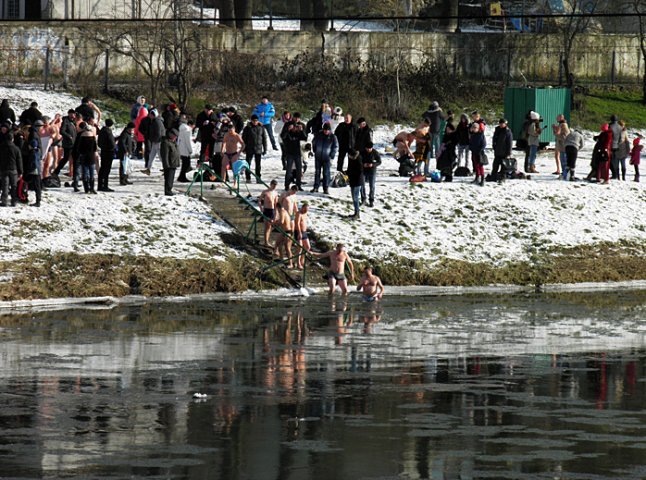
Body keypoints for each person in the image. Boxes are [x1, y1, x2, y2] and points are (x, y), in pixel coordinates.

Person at [311, 122, 338, 194]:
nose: (326, 131)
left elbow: (335, 147)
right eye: (325, 130)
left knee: (326, 173)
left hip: (327, 158)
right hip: (318, 157)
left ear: (330, 130)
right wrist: (314, 150)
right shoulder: (318, 135)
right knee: (317, 172)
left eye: (327, 130)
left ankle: (325, 188)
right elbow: (313, 142)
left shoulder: (333, 137)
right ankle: (316, 187)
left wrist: (332, 155)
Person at [0, 123, 22, 207]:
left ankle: (4, 201)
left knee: (5, 186)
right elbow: (19, 161)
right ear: (12, 139)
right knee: (14, 186)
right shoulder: (16, 149)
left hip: (4, 169)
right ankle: (13, 201)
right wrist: (21, 171)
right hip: (14, 169)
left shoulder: (1, 147)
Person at [281, 120, 307, 190]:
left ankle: (298, 185)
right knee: (289, 171)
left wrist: (301, 130)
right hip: (289, 154)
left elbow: (305, 138)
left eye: (295, 127)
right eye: (293, 127)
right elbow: (282, 137)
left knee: (299, 170)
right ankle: (287, 185)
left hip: (298, 154)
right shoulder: (287, 133)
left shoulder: (298, 133)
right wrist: (287, 129)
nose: (294, 128)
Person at [22, 120, 43, 206]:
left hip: (33, 163)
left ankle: (36, 201)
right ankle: (36, 200)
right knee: (35, 182)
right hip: (35, 163)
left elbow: (33, 149)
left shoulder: (33, 135)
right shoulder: (35, 134)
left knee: (33, 182)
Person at [242, 115, 268, 183]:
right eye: (253, 120)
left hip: (258, 148)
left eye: (256, 120)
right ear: (251, 120)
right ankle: (248, 177)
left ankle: (258, 177)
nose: (255, 122)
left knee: (258, 165)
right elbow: (243, 139)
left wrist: (265, 148)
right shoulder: (247, 128)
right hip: (249, 148)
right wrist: (243, 148)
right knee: (248, 164)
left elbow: (264, 138)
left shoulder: (261, 127)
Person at [75, 122, 98, 195]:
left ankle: (86, 189)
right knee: (92, 174)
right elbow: (95, 148)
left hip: (84, 157)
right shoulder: (93, 137)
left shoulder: (81, 137)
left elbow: (78, 149)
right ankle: (92, 188)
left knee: (85, 173)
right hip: (91, 157)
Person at [141, 109, 166, 175]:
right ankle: (148, 169)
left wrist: (154, 139)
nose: (149, 115)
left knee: (160, 156)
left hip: (158, 142)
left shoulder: (157, 122)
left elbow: (158, 133)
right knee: (151, 156)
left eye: (151, 114)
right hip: (155, 142)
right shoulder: (153, 121)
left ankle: (166, 169)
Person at [53, 110, 76, 177]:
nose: (73, 116)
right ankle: (56, 171)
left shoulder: (73, 122)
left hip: (74, 143)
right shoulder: (66, 121)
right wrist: (69, 136)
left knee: (75, 159)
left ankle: (75, 176)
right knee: (66, 158)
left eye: (74, 115)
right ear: (69, 114)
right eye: (71, 115)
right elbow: (62, 131)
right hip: (68, 144)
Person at [272, 203, 294, 268]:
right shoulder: (284, 211)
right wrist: (276, 221)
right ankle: (281, 259)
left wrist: (275, 224)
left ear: (278, 207)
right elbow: (282, 220)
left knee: (287, 249)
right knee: (278, 243)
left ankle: (291, 264)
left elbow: (281, 222)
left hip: (287, 232)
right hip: (284, 231)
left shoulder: (282, 211)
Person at [97, 118, 116, 192]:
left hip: (103, 151)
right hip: (109, 152)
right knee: (107, 169)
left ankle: (100, 185)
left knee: (102, 169)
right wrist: (114, 146)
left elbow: (99, 142)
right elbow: (111, 143)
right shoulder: (108, 131)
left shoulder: (102, 130)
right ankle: (105, 185)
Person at [258, 179, 279, 246]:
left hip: (272, 211)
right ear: (271, 184)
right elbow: (259, 201)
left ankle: (267, 240)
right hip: (266, 210)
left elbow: (276, 204)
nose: (274, 187)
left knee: (270, 227)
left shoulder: (275, 193)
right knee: (267, 226)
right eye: (273, 185)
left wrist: (276, 213)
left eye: (275, 186)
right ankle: (266, 241)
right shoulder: (265, 192)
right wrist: (261, 209)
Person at [160, 129, 180, 196]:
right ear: (170, 134)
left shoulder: (173, 142)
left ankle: (169, 189)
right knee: (168, 178)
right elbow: (165, 155)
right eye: (174, 136)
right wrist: (166, 165)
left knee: (171, 178)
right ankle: (168, 191)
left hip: (173, 163)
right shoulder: (166, 142)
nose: (175, 137)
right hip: (169, 164)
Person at [361, 141, 381, 206]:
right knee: (362, 185)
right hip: (363, 170)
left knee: (372, 186)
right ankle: (363, 199)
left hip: (372, 171)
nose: (369, 150)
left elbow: (379, 162)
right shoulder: (362, 152)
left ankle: (371, 200)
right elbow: (358, 161)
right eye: (367, 148)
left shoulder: (375, 153)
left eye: (370, 148)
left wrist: (373, 164)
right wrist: (363, 165)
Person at [469, 113, 487, 186]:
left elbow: (483, 144)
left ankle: (482, 179)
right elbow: (471, 143)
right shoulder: (473, 135)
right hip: (474, 151)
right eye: (473, 128)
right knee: (475, 165)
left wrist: (479, 150)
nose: (474, 129)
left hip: (479, 152)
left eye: (475, 128)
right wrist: (471, 148)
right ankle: (477, 177)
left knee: (480, 166)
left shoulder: (481, 135)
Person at [346, 149, 363, 219]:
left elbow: (359, 171)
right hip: (352, 180)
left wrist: (351, 173)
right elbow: (349, 168)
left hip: (357, 181)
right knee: (354, 197)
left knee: (355, 198)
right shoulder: (351, 159)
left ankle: (357, 213)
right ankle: (356, 212)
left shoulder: (358, 159)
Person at [176, 117, 194, 183]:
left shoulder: (182, 128)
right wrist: (190, 150)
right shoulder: (187, 130)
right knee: (186, 164)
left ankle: (182, 176)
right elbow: (188, 141)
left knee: (185, 164)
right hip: (185, 149)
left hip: (181, 148)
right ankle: (182, 177)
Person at [294, 202, 310, 270]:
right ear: (302, 208)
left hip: (304, 232)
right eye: (305, 209)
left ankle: (302, 259)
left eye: (307, 210)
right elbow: (297, 224)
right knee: (299, 248)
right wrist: (300, 233)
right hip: (298, 232)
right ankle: (298, 263)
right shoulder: (299, 213)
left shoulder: (305, 213)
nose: (306, 211)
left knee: (307, 247)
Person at [553, 115, 570, 180]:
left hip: (562, 143)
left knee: (562, 157)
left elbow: (557, 133)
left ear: (562, 118)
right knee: (559, 156)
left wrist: (554, 128)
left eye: (558, 117)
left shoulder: (562, 124)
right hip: (561, 142)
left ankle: (563, 172)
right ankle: (560, 170)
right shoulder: (563, 124)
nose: (556, 118)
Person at [609, 114, 623, 180]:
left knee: (610, 160)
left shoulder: (610, 126)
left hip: (610, 145)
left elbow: (609, 136)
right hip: (617, 145)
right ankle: (616, 175)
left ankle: (614, 174)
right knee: (615, 160)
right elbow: (620, 138)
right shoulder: (620, 127)